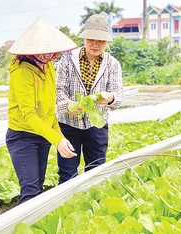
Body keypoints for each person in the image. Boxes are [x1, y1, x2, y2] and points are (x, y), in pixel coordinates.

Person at [6, 18, 77, 204]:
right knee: (30, 190)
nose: (51, 55)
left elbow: (49, 110)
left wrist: (59, 136)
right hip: (22, 136)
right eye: (46, 51)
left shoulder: (48, 67)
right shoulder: (22, 72)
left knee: (38, 187)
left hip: (42, 135)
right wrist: (56, 140)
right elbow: (29, 114)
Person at [56, 14, 123, 184]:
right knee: (67, 173)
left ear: (106, 42)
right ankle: (66, 206)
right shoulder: (68, 59)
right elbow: (58, 91)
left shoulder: (112, 64)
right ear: (85, 38)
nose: (95, 44)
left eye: (101, 40)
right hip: (69, 124)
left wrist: (109, 97)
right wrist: (69, 105)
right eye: (91, 39)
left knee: (96, 171)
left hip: (97, 125)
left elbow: (119, 94)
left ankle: (92, 205)